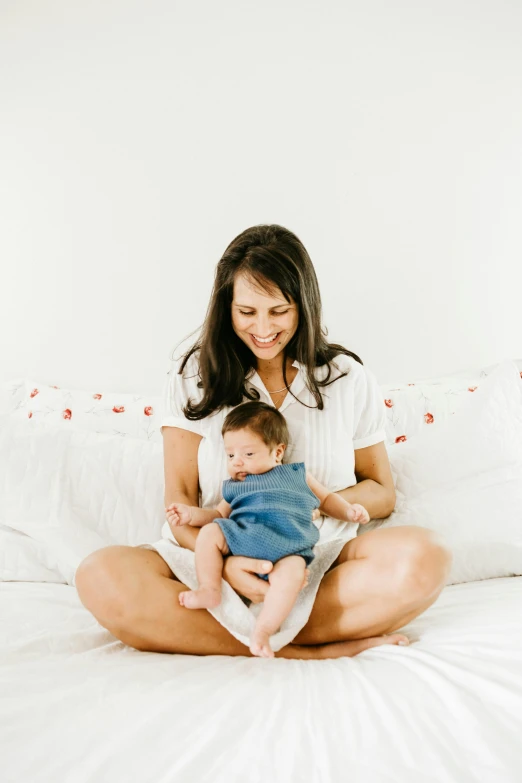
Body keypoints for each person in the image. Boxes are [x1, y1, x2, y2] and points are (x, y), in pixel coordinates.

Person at [75, 223, 453, 660]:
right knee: (100, 575)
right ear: (226, 308)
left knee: (427, 557)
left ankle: (256, 635)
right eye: (247, 312)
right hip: (219, 556)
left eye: (279, 311)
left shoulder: (347, 378)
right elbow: (178, 499)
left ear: (304, 306)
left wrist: (310, 504)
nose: (264, 328)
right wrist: (224, 564)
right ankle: (308, 648)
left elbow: (381, 491)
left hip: (318, 559)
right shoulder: (194, 374)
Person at [167, 400, 371, 658]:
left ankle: (264, 630)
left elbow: (327, 500)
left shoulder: (297, 475)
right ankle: (209, 588)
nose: (237, 462)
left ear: (277, 453)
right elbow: (216, 515)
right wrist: (190, 514)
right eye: (231, 455)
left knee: (293, 574)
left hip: (288, 547)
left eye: (248, 454)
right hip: (243, 538)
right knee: (210, 532)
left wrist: (349, 511)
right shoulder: (234, 486)